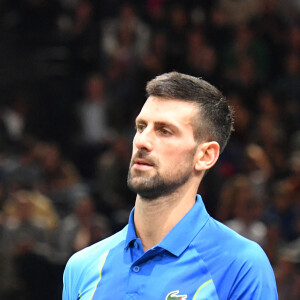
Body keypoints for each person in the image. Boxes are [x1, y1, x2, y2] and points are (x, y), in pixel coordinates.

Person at [63, 72, 278, 299]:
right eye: (141, 126)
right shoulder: (81, 267)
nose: (142, 141)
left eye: (165, 131)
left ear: (205, 155)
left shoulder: (240, 265)